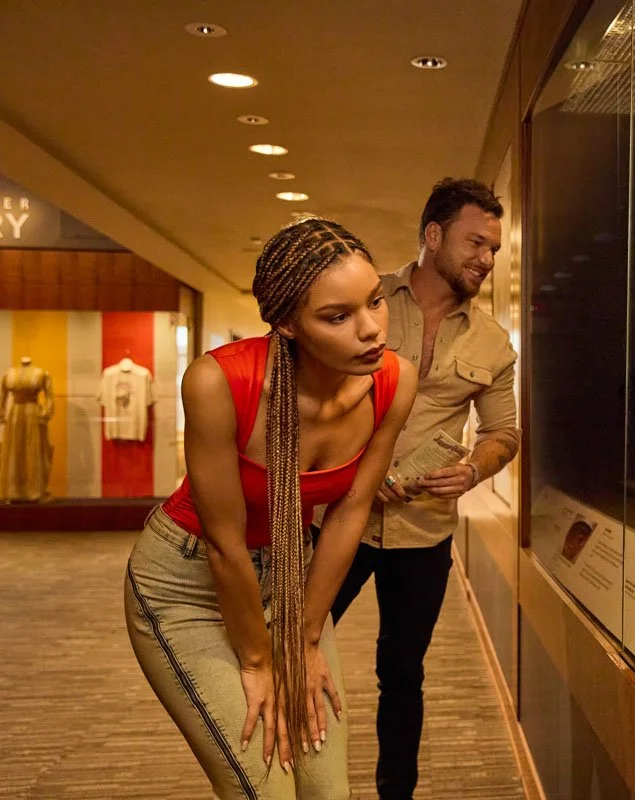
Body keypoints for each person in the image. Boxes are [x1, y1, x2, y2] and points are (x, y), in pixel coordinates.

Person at [124, 216, 418, 799]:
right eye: (337, 316)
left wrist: (304, 640)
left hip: (288, 578)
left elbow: (351, 510)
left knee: (326, 789)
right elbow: (224, 542)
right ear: (287, 323)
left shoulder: (394, 381)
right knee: (266, 787)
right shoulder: (218, 382)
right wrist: (260, 662)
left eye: (375, 301)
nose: (371, 329)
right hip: (189, 584)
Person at [323, 178, 519, 799]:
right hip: (336, 520)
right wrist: (356, 467)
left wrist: (474, 469)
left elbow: (504, 432)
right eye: (475, 242)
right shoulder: (367, 301)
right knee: (297, 649)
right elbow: (306, 398)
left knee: (403, 674)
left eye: (493, 248)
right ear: (433, 235)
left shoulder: (492, 342)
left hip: (424, 534)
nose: (486, 258)